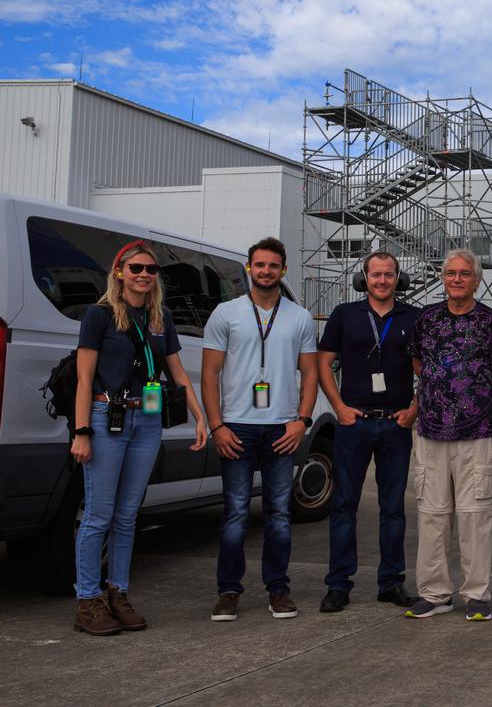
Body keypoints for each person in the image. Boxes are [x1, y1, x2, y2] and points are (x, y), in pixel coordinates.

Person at [71, 240, 206, 635]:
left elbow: (178, 373)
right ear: (119, 272)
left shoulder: (160, 316)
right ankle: (88, 599)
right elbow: (83, 378)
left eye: (151, 269)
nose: (144, 275)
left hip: (146, 421)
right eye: (136, 269)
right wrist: (81, 431)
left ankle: (119, 592)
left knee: (128, 516)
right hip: (105, 416)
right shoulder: (98, 316)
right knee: (98, 514)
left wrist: (200, 418)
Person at [203, 237, 318, 622]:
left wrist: (302, 421)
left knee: (279, 514)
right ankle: (228, 591)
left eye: (273, 265)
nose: (266, 271)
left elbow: (310, 373)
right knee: (235, 512)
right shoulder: (226, 313)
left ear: (283, 270)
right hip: (236, 425)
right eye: (259, 265)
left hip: (282, 427)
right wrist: (216, 424)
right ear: (248, 269)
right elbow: (209, 374)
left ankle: (278, 589)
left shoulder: (299, 317)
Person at [405, 249, 492, 622]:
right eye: (450, 273)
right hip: (431, 432)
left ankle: (477, 595)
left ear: (477, 279)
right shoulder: (427, 319)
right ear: (443, 278)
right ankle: (435, 593)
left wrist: (489, 401)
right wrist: (433, 393)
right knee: (432, 514)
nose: (456, 279)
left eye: (464, 274)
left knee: (475, 515)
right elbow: (418, 360)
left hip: (477, 433)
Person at [317, 252, 421, 613]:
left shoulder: (413, 317)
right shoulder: (345, 314)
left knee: (392, 507)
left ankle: (391, 583)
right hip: (354, 423)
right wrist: (338, 407)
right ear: (364, 278)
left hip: (396, 424)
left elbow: (426, 369)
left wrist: (414, 410)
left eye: (388, 275)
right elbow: (322, 363)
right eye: (375, 275)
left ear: (398, 278)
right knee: (344, 505)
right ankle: (338, 584)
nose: (381, 281)